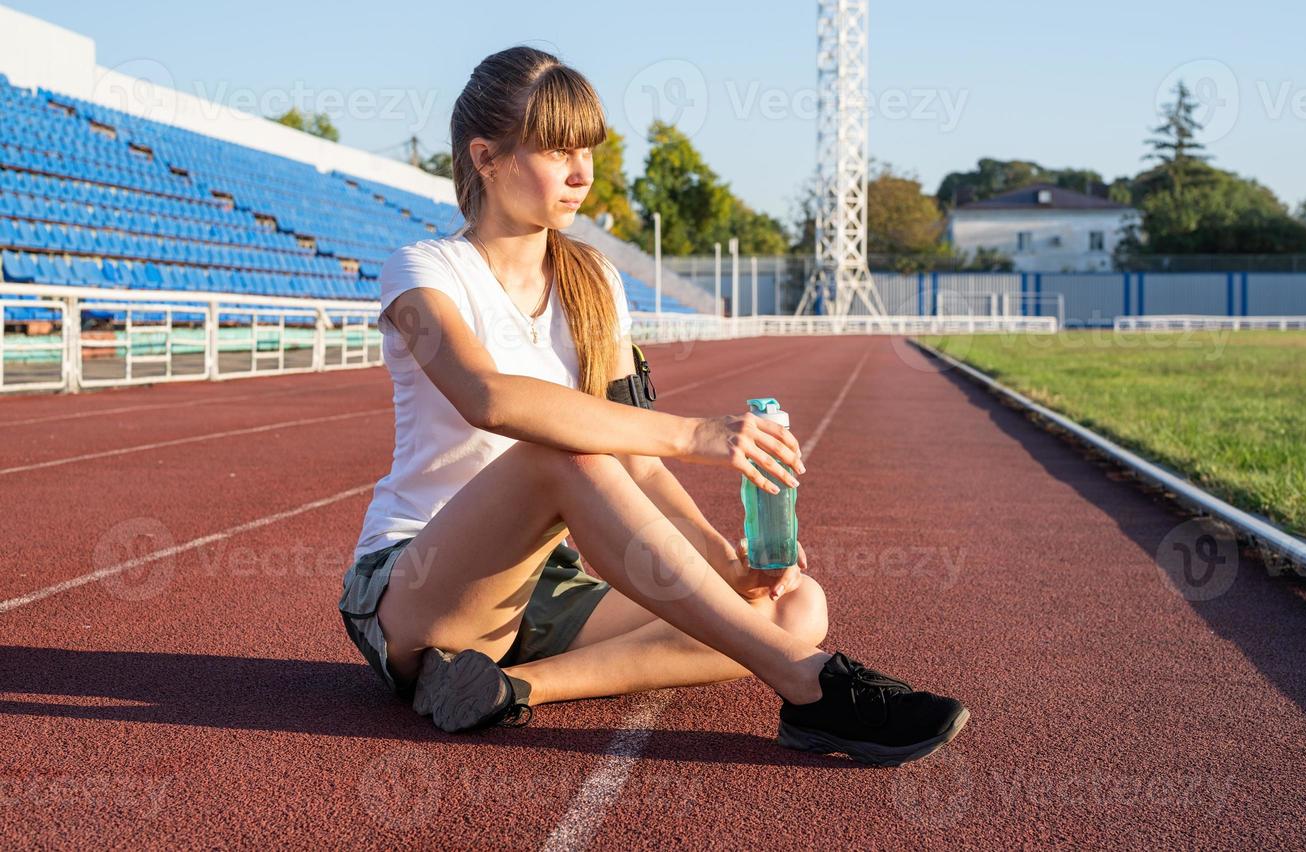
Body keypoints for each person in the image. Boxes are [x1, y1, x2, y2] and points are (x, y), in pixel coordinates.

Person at [337, 47, 969, 766]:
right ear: (485, 156)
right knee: (557, 448)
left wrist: (724, 560)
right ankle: (813, 687)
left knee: (795, 606)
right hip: (421, 585)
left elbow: (633, 461)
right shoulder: (423, 272)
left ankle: (510, 690)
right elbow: (490, 399)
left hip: (544, 585)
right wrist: (699, 434)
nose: (582, 175)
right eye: (556, 152)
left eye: (588, 154)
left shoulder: (593, 281)